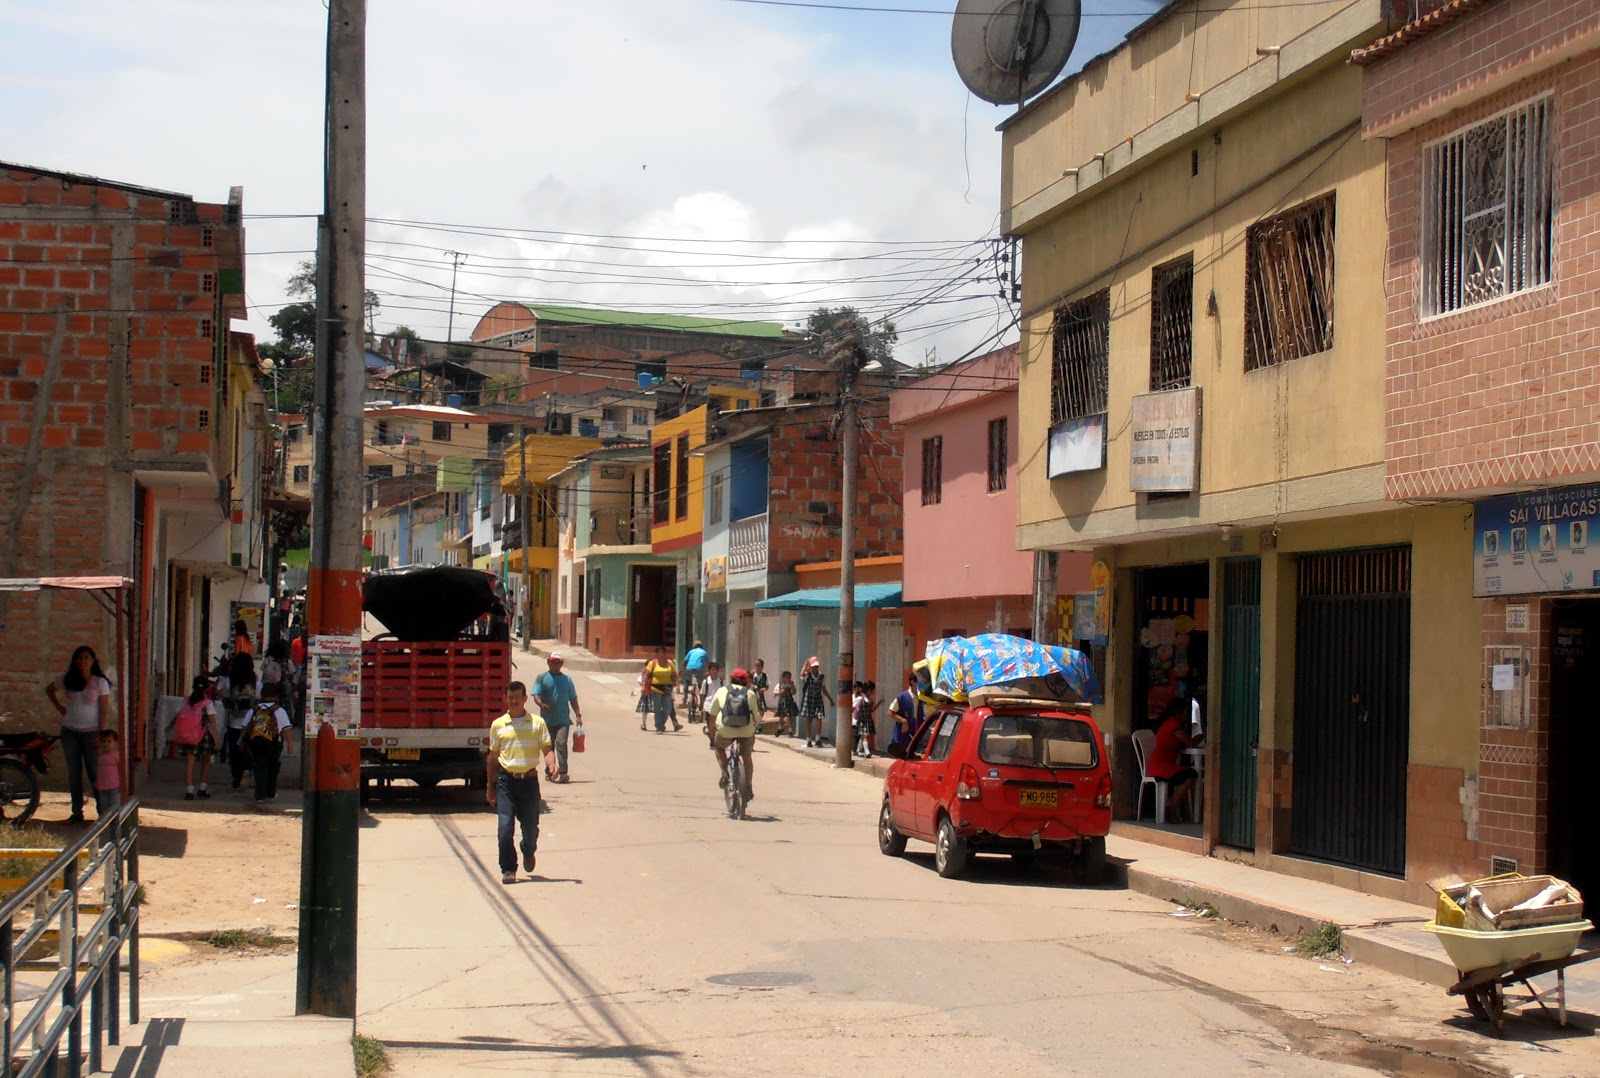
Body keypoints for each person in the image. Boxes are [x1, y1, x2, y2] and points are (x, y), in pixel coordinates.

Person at [485, 681, 558, 884]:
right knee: (505, 828)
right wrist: (490, 786)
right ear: (505, 699)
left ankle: (528, 849)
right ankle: (508, 868)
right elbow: (492, 758)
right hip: (506, 781)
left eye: (518, 696)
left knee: (531, 829)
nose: (514, 701)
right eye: (510, 697)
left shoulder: (537, 723)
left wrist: (552, 765)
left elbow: (547, 750)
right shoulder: (498, 725)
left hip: (529, 782)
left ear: (525, 698)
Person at [44, 645, 113, 823]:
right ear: (75, 661)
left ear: (92, 661)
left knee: (93, 772)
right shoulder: (67, 679)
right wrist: (60, 708)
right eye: (80, 658)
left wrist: (100, 734)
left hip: (91, 733)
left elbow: (104, 710)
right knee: (74, 772)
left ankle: (102, 811)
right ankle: (76, 812)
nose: (83, 661)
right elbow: (49, 689)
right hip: (70, 731)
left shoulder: (100, 682)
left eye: (86, 658)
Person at [704, 667, 758, 803]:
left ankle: (724, 772)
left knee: (719, 747)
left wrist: (711, 731)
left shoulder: (722, 691)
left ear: (731, 679)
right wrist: (755, 726)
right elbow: (756, 716)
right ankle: (749, 786)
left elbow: (713, 714)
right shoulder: (750, 693)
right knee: (747, 756)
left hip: (725, 729)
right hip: (746, 731)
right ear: (746, 681)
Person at [1148, 697, 1202, 821]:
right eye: (1186, 712)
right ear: (1180, 711)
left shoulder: (1168, 723)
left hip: (1162, 766)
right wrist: (1204, 735)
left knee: (1187, 773)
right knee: (1191, 775)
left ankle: (1178, 808)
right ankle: (1172, 804)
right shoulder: (1173, 724)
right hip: (1161, 768)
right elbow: (1190, 742)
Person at [533, 653, 582, 784]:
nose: (555, 665)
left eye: (558, 662)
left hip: (563, 720)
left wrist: (578, 715)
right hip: (547, 720)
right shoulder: (542, 678)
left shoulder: (567, 680)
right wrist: (541, 704)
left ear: (562, 664)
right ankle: (550, 771)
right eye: (553, 662)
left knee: (561, 744)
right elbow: (536, 694)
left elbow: (573, 698)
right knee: (549, 746)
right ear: (548, 662)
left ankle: (563, 772)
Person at [167, 674, 218, 800]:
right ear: (207, 689)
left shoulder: (186, 701)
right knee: (206, 761)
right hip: (203, 735)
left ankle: (189, 790)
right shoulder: (207, 703)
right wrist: (216, 739)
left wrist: (170, 726)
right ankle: (202, 787)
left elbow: (178, 715)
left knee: (190, 762)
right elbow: (212, 722)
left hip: (189, 735)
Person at [244, 681, 294, 807]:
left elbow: (244, 726)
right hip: (273, 743)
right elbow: (286, 728)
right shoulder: (279, 710)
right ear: (276, 696)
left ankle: (259, 795)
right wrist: (290, 744)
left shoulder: (255, 709)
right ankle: (271, 792)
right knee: (273, 767)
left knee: (260, 767)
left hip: (256, 742)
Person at [640, 647, 679, 733]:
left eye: (662, 652)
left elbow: (674, 675)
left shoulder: (670, 663)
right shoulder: (652, 663)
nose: (661, 654)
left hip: (667, 688)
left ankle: (660, 723)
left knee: (667, 709)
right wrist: (643, 686)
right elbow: (646, 675)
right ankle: (659, 727)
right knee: (657, 708)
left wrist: (678, 685)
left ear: (665, 653)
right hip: (656, 688)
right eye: (659, 652)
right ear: (656, 654)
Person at [799, 656, 834, 748]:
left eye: (817, 666)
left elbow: (823, 688)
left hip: (818, 698)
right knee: (809, 719)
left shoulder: (821, 676)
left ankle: (818, 739)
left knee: (819, 717)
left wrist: (830, 699)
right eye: (814, 666)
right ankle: (808, 740)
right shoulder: (808, 675)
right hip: (809, 699)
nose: (815, 668)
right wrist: (805, 664)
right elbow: (802, 674)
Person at [888, 672, 923, 751]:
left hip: (916, 737)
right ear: (912, 682)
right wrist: (903, 721)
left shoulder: (923, 698)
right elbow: (890, 713)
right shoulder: (902, 697)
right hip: (902, 737)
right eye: (920, 682)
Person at [95, 729, 123, 816]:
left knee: (114, 808)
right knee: (103, 807)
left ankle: (115, 827)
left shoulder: (117, 756)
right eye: (103, 741)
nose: (106, 743)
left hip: (114, 787)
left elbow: (121, 769)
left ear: (115, 743)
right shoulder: (99, 755)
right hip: (102, 787)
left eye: (109, 741)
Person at [853, 681, 880, 758]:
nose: (874, 692)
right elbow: (853, 707)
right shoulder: (861, 698)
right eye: (873, 690)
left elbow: (871, 710)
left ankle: (858, 750)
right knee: (866, 735)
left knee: (864, 736)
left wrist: (878, 703)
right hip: (863, 719)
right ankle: (867, 752)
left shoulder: (869, 699)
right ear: (869, 690)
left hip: (868, 718)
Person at [682, 640, 708, 711]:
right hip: (699, 669)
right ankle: (702, 702)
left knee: (686, 682)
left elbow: (685, 661)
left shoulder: (691, 651)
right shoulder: (704, 653)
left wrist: (682, 669)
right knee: (701, 685)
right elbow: (707, 663)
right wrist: (707, 672)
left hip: (689, 668)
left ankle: (684, 698)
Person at [774, 670, 799, 737]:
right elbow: (778, 692)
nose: (788, 679)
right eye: (787, 677)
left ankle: (790, 730)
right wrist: (779, 692)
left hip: (789, 701)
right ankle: (780, 727)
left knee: (789, 716)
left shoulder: (791, 684)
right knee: (781, 715)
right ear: (783, 678)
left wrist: (792, 687)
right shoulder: (780, 685)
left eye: (789, 677)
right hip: (782, 701)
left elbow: (793, 692)